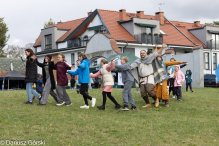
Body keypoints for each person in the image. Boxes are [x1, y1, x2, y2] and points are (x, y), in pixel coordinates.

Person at [131, 43, 166, 108]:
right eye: (141, 53)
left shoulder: (149, 58)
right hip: (141, 79)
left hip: (149, 78)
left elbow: (156, 53)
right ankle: (148, 103)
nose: (142, 54)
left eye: (143, 53)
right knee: (143, 93)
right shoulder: (138, 61)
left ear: (146, 54)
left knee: (149, 90)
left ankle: (156, 99)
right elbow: (131, 66)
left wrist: (162, 48)